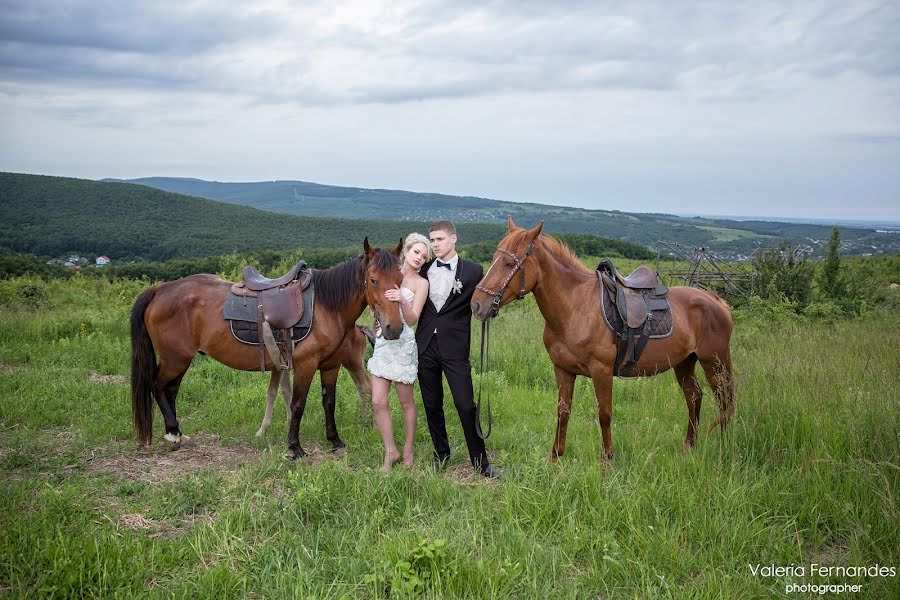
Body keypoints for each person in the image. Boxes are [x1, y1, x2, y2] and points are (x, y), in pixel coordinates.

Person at [416, 220, 502, 479]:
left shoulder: (474, 271)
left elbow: (485, 300)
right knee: (432, 404)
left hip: (455, 348)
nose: (434, 245)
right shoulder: (423, 270)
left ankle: (481, 462)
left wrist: (491, 310)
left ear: (454, 238)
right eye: (432, 240)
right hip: (425, 347)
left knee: (465, 404)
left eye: (439, 239)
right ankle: (441, 454)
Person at [367, 233, 431, 470]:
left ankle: (408, 450)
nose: (419, 258)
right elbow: (376, 299)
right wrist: (377, 320)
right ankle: (390, 451)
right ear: (406, 250)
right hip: (385, 341)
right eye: (416, 252)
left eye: (424, 257)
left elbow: (412, 318)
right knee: (378, 401)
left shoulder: (421, 283)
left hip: (403, 343)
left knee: (406, 402)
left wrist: (401, 300)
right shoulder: (390, 272)